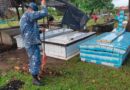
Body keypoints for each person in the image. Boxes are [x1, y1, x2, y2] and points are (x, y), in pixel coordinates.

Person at [20, 1, 48, 86]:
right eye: (35, 11)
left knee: (33, 59)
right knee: (35, 59)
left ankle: (35, 75)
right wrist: (43, 4)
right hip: (31, 42)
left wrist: (40, 30)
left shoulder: (27, 16)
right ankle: (35, 79)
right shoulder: (29, 14)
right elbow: (44, 13)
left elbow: (30, 29)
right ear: (32, 9)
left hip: (31, 41)